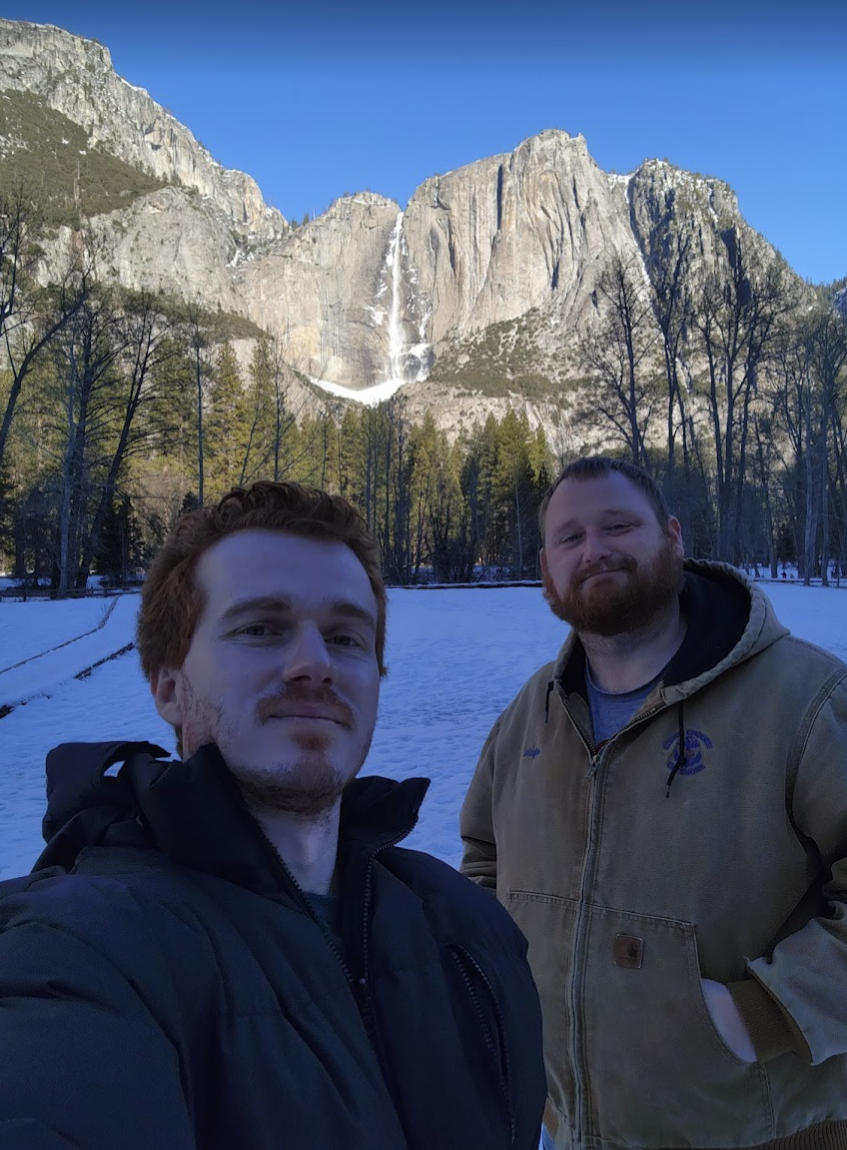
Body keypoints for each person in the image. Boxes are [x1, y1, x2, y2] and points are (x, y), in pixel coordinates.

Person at [0, 481, 546, 1150]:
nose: (313, 664)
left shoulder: (469, 927)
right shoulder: (85, 946)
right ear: (169, 687)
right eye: (261, 628)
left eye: (346, 638)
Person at [460, 456, 847, 1150]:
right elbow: (484, 862)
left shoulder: (805, 700)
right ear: (546, 567)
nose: (594, 549)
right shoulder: (531, 715)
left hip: (758, 1131)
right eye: (568, 537)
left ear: (670, 536)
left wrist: (756, 1013)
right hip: (570, 1125)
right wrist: (502, 990)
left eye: (618, 526)